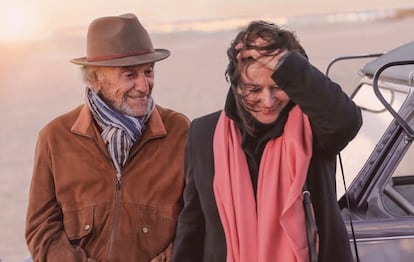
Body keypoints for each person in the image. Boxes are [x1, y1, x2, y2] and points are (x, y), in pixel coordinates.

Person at [172, 21, 362, 262]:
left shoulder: (314, 127)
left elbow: (347, 121)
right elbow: (192, 224)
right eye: (254, 90)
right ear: (236, 84)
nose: (268, 100)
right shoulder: (203, 133)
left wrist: (285, 63)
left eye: (277, 86)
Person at [25, 13, 189, 261]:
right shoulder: (54, 138)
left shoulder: (179, 132)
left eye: (148, 71)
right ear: (95, 78)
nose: (144, 86)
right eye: (129, 75)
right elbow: (41, 229)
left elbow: (198, 218)